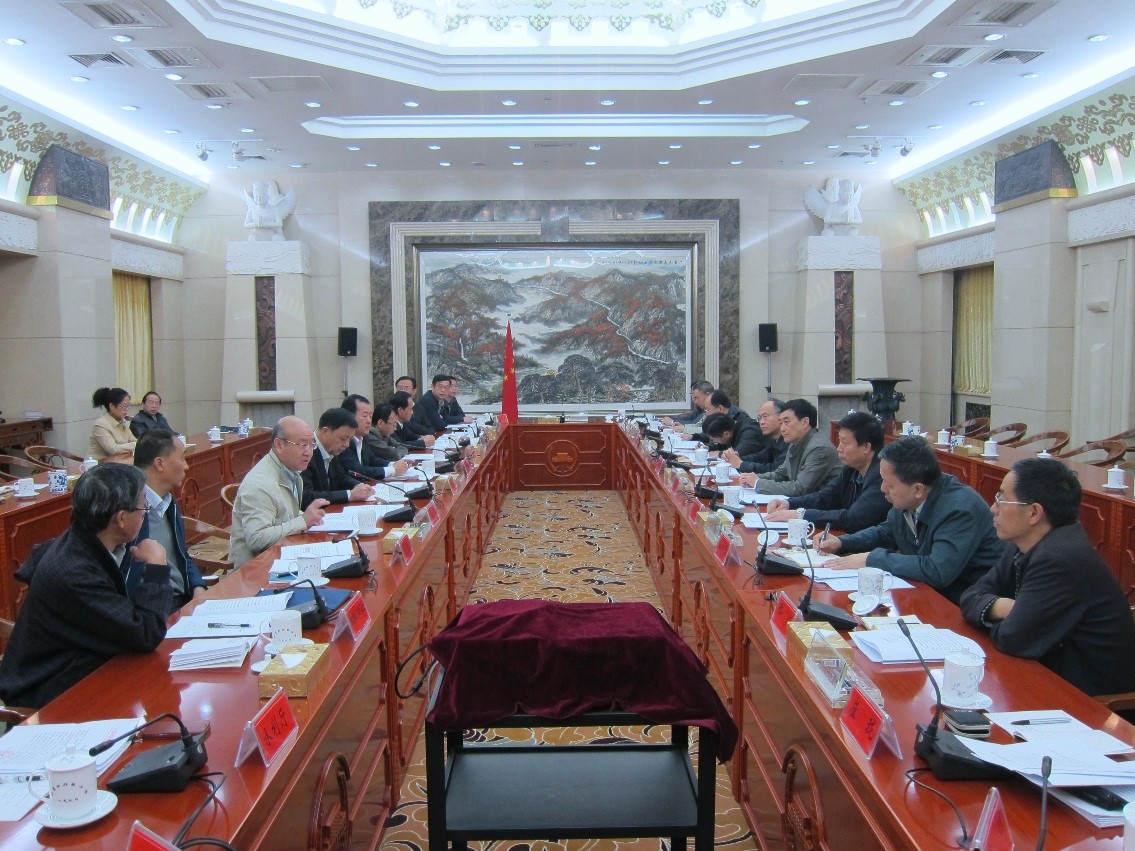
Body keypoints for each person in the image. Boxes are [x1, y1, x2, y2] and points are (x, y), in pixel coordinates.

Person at [0, 464, 172, 708]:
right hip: (48, 693)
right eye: (143, 506)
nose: (146, 512)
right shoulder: (75, 573)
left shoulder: (87, 538)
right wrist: (157, 567)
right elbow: (146, 633)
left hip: (79, 666)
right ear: (121, 519)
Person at [960, 459, 1135, 696]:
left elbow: (1012, 639)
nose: (993, 508)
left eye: (1001, 499)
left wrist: (1010, 617)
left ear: (1034, 513)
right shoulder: (1023, 543)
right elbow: (970, 596)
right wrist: (1005, 607)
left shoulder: (1059, 558)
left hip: (1089, 699)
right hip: (1047, 675)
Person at [819, 435, 1003, 604]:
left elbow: (937, 571)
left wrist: (873, 558)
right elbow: (887, 532)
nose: (882, 489)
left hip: (964, 603)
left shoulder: (960, 509)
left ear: (918, 489)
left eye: (889, 484)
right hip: (926, 593)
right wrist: (842, 542)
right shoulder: (908, 498)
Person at [230, 416, 329, 568]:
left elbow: (284, 514)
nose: (309, 452)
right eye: (303, 445)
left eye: (312, 445)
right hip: (257, 571)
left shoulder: (291, 471)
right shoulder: (260, 484)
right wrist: (303, 521)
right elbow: (256, 539)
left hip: (283, 558)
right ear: (279, 445)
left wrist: (308, 517)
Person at [764, 412, 888, 533]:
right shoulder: (851, 469)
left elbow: (853, 518)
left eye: (844, 442)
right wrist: (789, 503)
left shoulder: (882, 476)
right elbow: (826, 497)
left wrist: (801, 514)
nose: (839, 448)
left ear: (866, 447)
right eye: (839, 441)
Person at [131, 429, 208, 612]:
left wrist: (198, 586)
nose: (186, 466)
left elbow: (181, 554)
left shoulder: (169, 502)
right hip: (156, 608)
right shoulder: (131, 510)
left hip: (183, 601)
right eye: (182, 458)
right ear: (160, 463)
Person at [741, 398, 839, 497]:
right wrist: (753, 478)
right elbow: (781, 474)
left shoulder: (819, 448)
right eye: (781, 423)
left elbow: (800, 488)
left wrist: (758, 483)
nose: (782, 428)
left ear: (805, 422)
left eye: (786, 422)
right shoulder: (795, 442)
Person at [301, 407, 375, 508]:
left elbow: (340, 478)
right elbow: (306, 496)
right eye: (343, 439)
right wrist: (349, 495)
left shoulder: (331, 449)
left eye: (350, 439)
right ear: (325, 432)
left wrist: (359, 485)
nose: (347, 444)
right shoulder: (306, 452)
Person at [337, 396, 411, 482]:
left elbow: (372, 460)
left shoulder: (363, 436)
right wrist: (392, 470)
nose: (369, 421)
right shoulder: (344, 442)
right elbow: (357, 470)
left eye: (370, 416)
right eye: (365, 416)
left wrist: (393, 464)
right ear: (349, 417)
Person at [725, 398, 787, 474]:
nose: (762, 422)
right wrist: (736, 458)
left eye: (765, 416)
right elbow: (761, 457)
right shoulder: (774, 439)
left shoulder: (789, 440)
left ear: (781, 416)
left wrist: (741, 464)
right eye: (759, 418)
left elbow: (776, 469)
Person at [90, 386, 137, 461]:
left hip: (119, 462)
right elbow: (113, 449)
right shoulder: (100, 424)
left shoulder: (122, 421)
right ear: (111, 406)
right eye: (123, 406)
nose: (126, 410)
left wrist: (136, 444)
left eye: (128, 406)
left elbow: (134, 441)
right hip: (100, 465)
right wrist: (136, 445)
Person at [701, 411, 766, 459]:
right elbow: (721, 443)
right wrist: (709, 447)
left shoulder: (750, 433)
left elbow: (737, 454)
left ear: (726, 434)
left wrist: (719, 454)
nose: (714, 442)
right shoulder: (729, 427)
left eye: (714, 440)